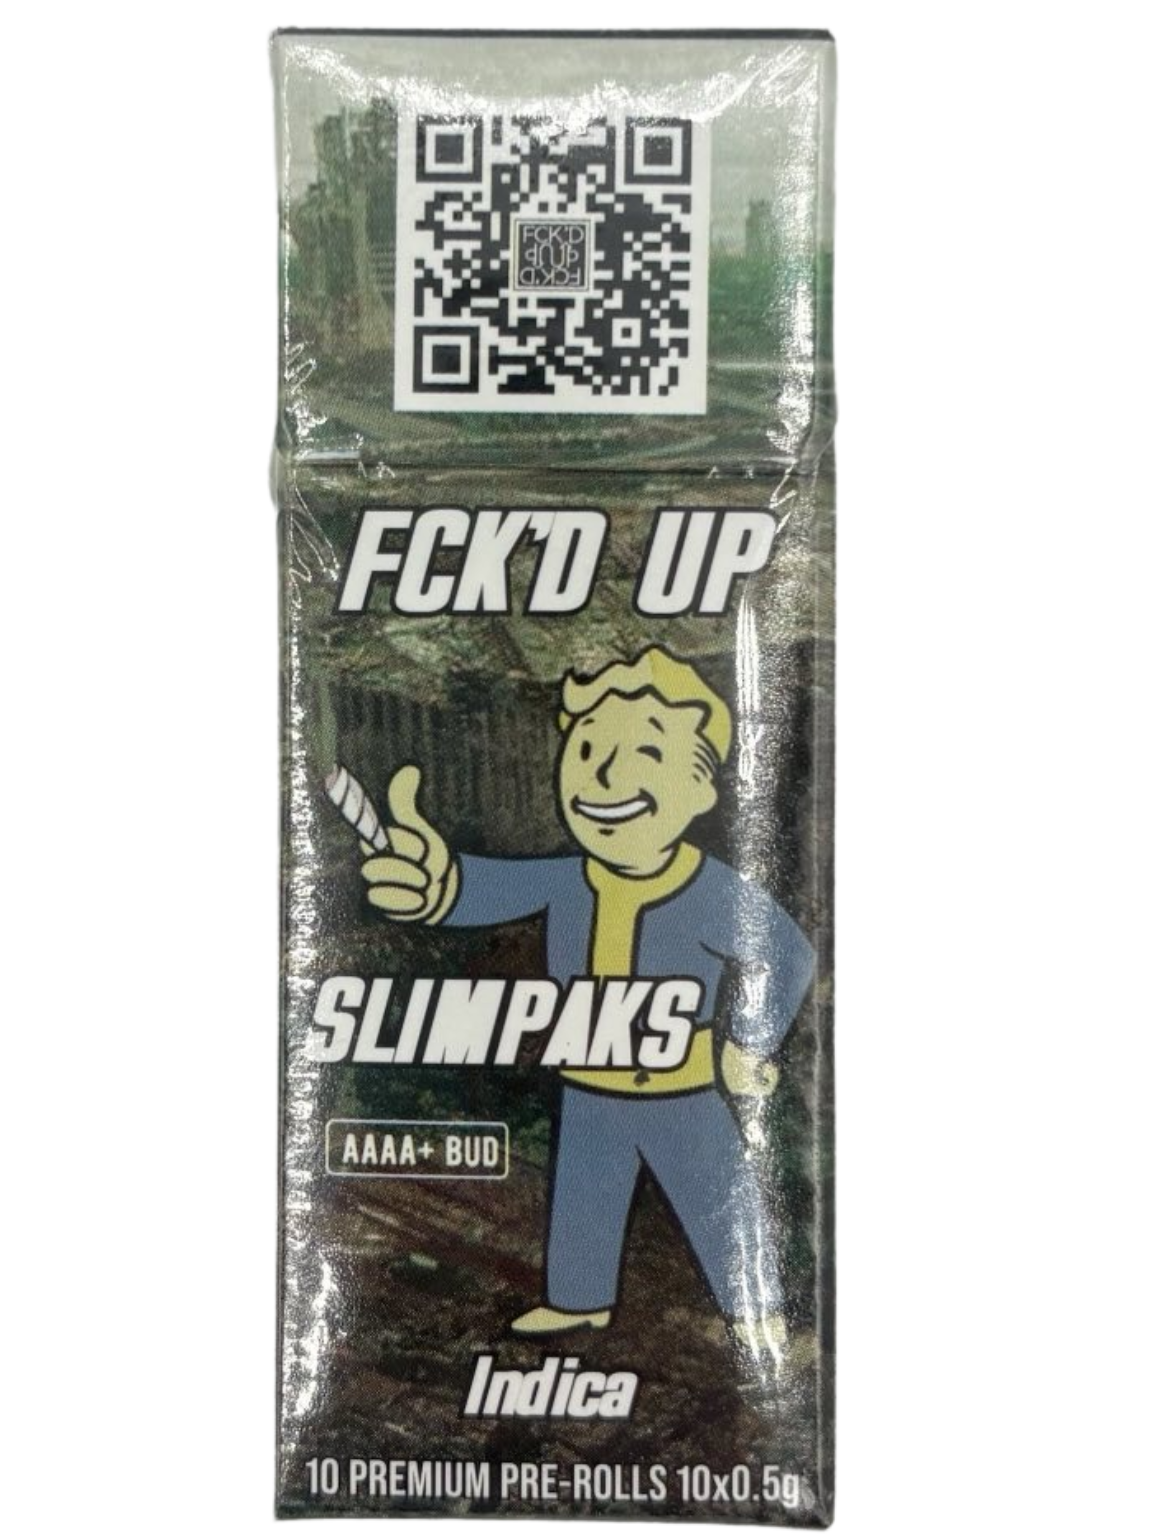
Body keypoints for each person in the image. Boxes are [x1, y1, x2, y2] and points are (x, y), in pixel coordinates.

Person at [360, 646, 815, 1362]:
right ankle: (578, 1298)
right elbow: (483, 890)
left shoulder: (711, 890)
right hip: (589, 1082)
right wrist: (435, 882)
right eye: (588, 749)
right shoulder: (569, 878)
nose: (604, 776)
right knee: (582, 1196)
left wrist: (746, 1043)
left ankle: (759, 1318)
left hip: (681, 1088)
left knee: (721, 1200)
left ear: (701, 791)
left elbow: (787, 954)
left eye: (645, 753)